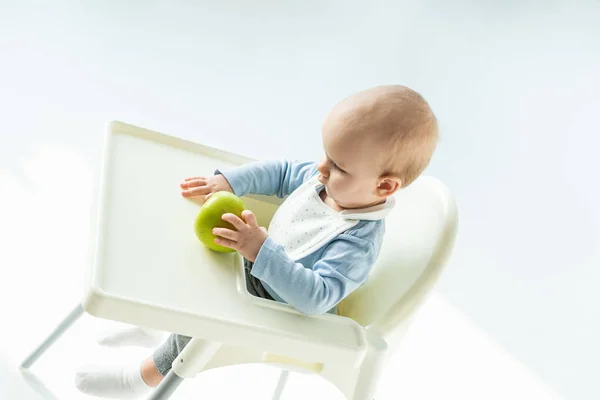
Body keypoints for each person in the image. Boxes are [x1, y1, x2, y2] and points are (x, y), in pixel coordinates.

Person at [75, 85, 439, 399]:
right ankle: (152, 326)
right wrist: (231, 182)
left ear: (385, 186)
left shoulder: (357, 240)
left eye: (339, 166)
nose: (321, 168)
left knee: (202, 323)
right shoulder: (323, 181)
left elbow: (318, 297)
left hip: (283, 309)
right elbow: (280, 172)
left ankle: (144, 378)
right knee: (186, 260)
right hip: (254, 270)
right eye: (326, 154)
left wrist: (261, 251)